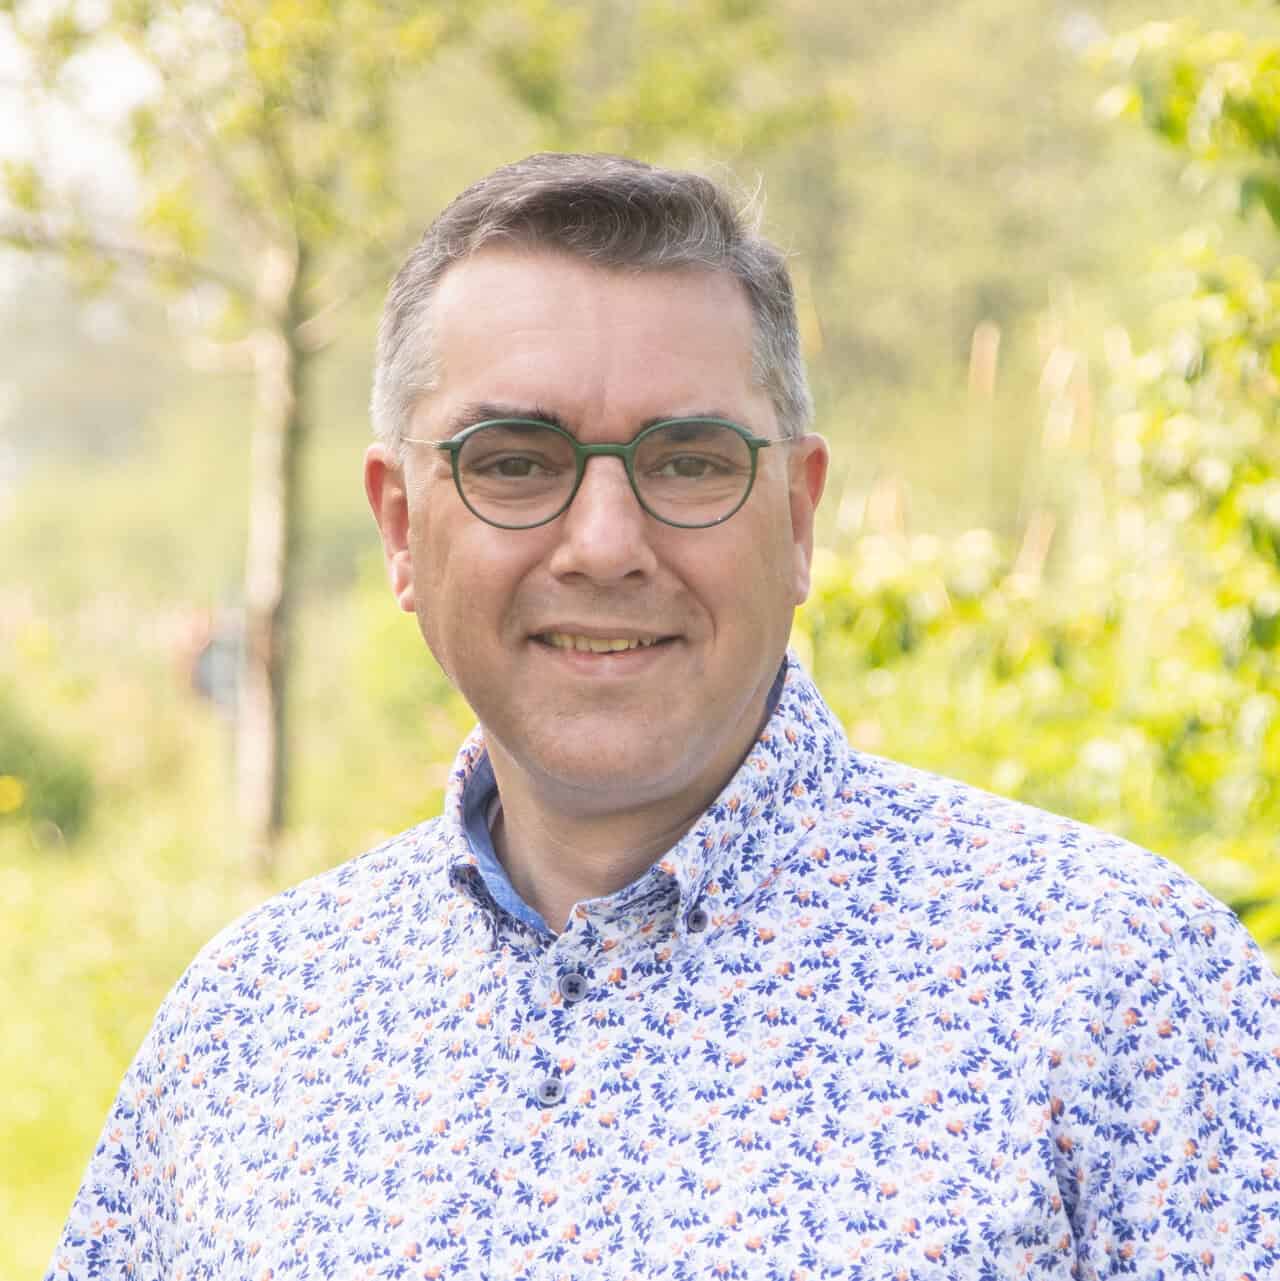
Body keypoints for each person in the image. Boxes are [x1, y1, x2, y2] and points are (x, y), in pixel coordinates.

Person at [48, 153, 1279, 1281]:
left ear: (795, 516)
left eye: (687, 460)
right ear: (400, 526)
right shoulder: (250, 1028)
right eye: (515, 460)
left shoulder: (1116, 988)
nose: (602, 544)